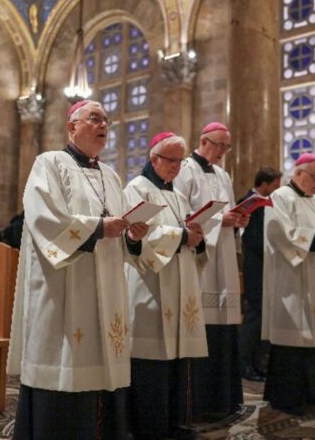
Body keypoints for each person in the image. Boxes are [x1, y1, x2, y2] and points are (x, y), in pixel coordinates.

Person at [7, 100, 148, 439]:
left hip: (107, 283)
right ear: (72, 126)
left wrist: (132, 235)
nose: (103, 126)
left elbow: (121, 229)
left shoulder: (111, 175)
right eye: (94, 119)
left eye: (106, 121)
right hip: (64, 286)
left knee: (102, 369)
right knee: (65, 366)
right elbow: (44, 219)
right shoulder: (49, 163)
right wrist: (99, 228)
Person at [124, 132, 207, 440]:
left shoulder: (179, 196)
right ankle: (150, 428)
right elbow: (138, 237)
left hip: (179, 285)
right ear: (154, 158)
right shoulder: (136, 189)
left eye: (180, 161)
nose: (176, 166)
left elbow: (188, 236)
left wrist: (196, 238)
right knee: (152, 364)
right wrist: (183, 236)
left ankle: (173, 423)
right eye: (171, 160)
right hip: (150, 288)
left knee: (176, 361)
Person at [262, 153, 315, 416]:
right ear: (298, 173)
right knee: (296, 337)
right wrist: (313, 238)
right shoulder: (279, 198)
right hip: (294, 282)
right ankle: (290, 397)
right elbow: (277, 232)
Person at [173, 122, 246, 421]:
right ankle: (199, 402)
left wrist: (238, 220)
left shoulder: (222, 174)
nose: (222, 152)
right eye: (219, 145)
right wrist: (219, 222)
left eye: (226, 147)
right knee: (202, 327)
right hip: (199, 258)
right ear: (203, 141)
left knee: (224, 331)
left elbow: (225, 212)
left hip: (225, 258)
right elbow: (179, 213)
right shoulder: (185, 170)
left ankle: (223, 399)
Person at [238, 166, 282, 382]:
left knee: (264, 315)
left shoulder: (268, 203)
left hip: (268, 265)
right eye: (275, 185)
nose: (277, 189)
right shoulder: (249, 202)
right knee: (254, 314)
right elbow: (250, 237)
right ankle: (243, 363)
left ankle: (258, 362)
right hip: (255, 266)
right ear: (264, 184)